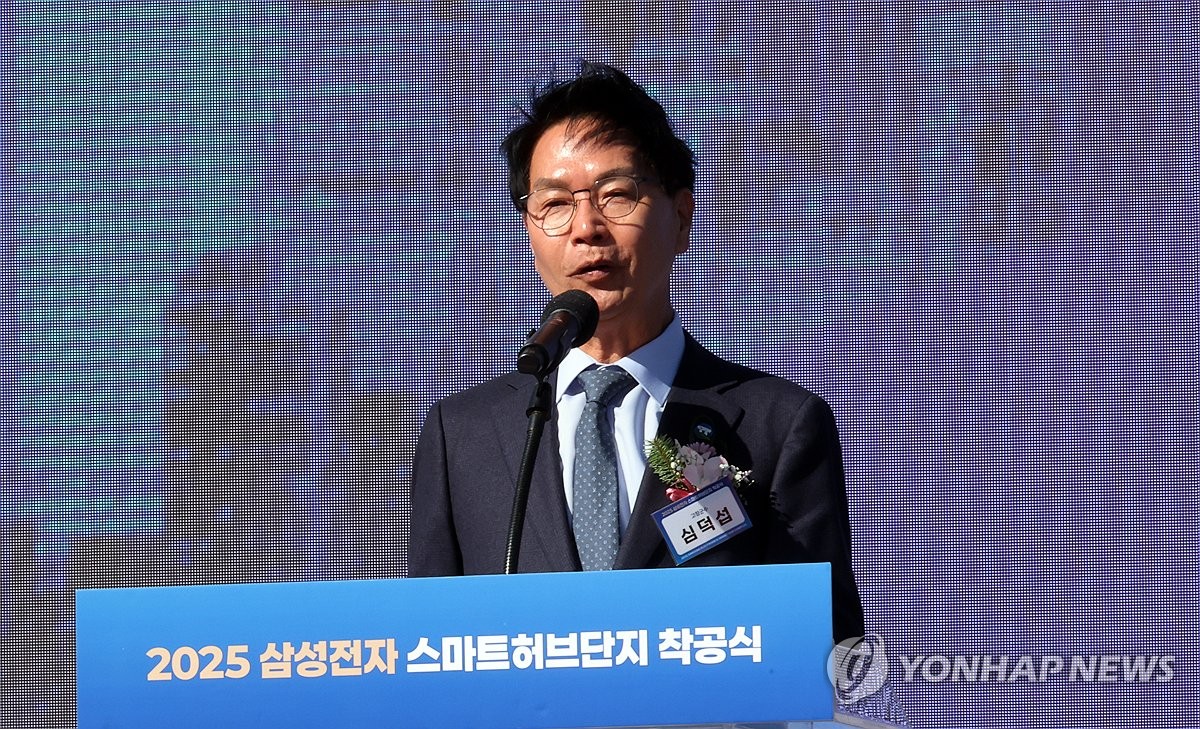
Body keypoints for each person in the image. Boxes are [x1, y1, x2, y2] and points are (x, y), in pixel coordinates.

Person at [408, 61, 864, 642]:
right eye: (554, 204)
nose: (586, 228)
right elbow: (429, 643)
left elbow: (823, 644)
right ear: (528, 229)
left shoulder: (776, 424)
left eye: (616, 195)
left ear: (681, 217)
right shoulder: (463, 434)